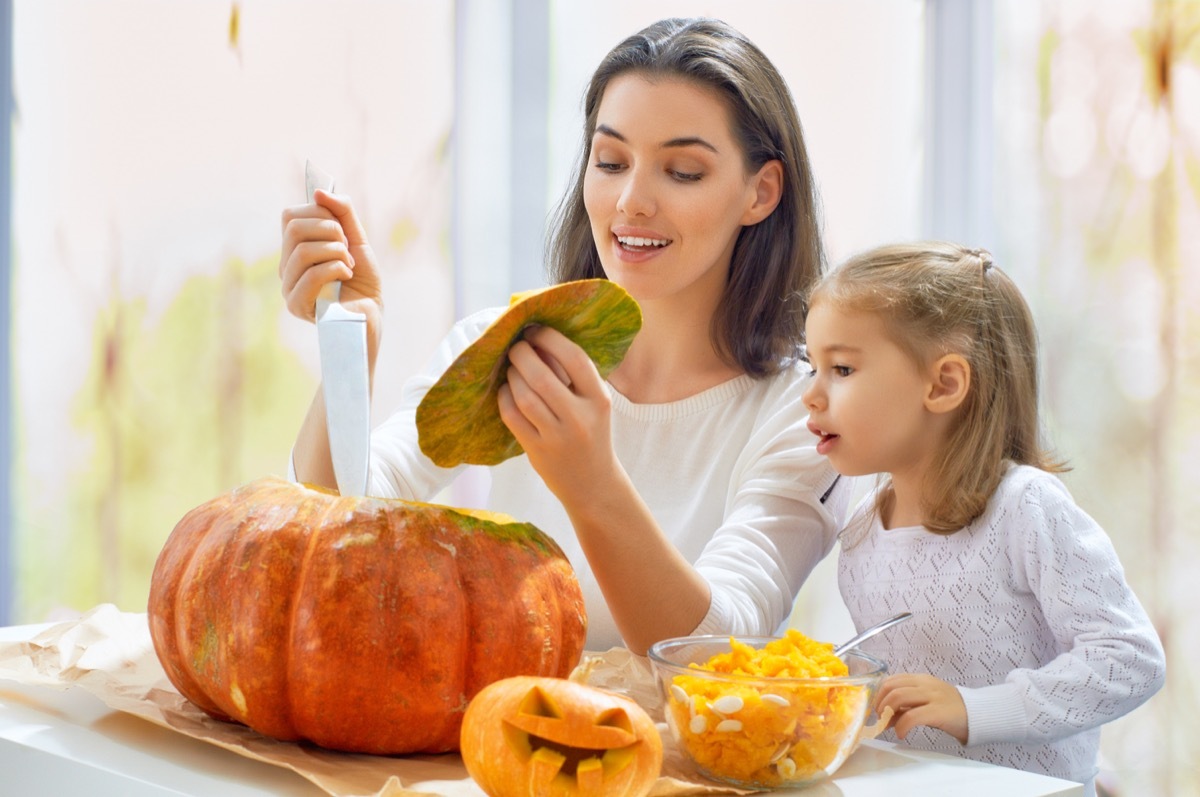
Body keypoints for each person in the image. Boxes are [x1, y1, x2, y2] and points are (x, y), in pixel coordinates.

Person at [277, 17, 848, 655]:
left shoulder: (805, 415)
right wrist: (349, 343)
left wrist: (593, 486)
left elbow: (718, 650)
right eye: (611, 161)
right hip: (493, 742)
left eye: (682, 171)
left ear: (761, 192)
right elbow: (330, 527)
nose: (632, 200)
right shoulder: (509, 346)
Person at [802, 241, 1165, 793]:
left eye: (842, 368)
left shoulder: (1026, 508)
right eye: (813, 368)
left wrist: (977, 709)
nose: (811, 395)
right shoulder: (860, 532)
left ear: (944, 384)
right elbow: (898, 693)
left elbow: (1129, 659)